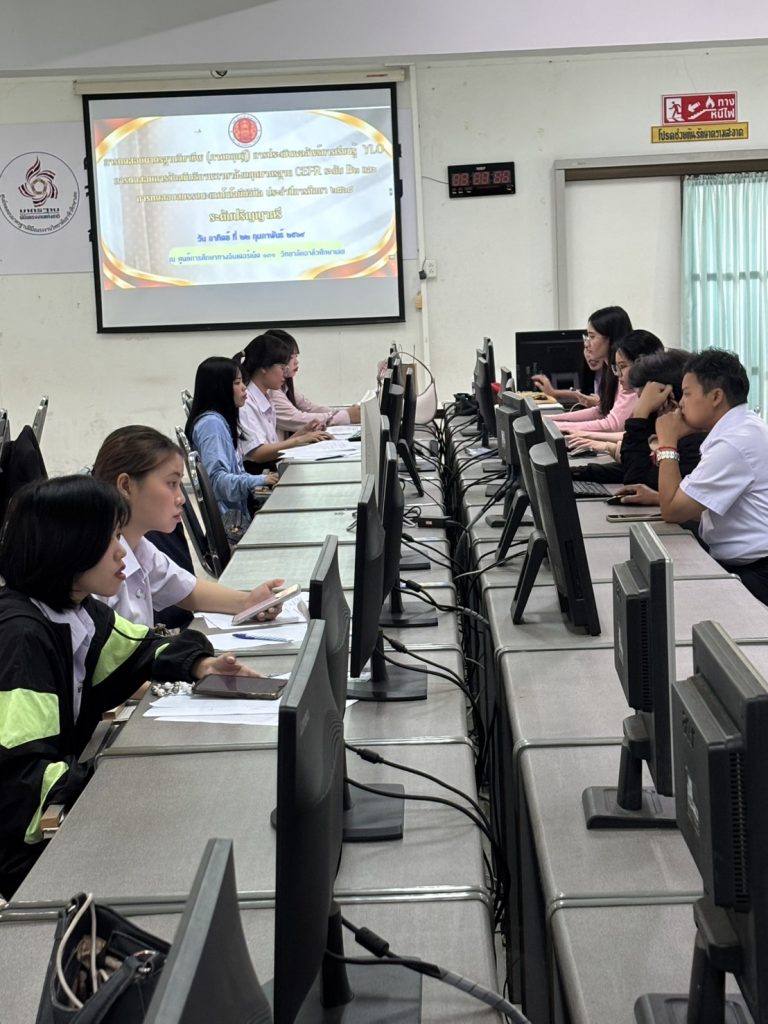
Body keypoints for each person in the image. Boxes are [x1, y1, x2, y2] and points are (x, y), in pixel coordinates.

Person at [0, 476, 258, 897]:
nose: (122, 551)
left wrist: (201, 664)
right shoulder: (21, 638)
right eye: (109, 539)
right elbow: (22, 780)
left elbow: (143, 650)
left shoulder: (75, 611)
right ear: (70, 546)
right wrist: (120, 779)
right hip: (31, 858)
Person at [92, 426, 284, 627]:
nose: (181, 499)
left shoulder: (138, 545)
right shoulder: (94, 569)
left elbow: (184, 589)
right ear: (126, 486)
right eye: (172, 483)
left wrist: (248, 602)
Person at [653, 348, 768, 604]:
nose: (681, 403)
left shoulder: (733, 443)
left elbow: (672, 511)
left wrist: (667, 442)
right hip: (749, 564)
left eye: (687, 393)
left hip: (758, 574)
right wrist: (656, 496)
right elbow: (704, 505)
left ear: (716, 396)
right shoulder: (742, 427)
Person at [185, 356, 278, 527]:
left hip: (237, 515)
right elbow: (217, 482)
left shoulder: (219, 421)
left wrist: (260, 479)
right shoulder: (212, 425)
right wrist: (259, 480)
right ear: (219, 388)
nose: (244, 388)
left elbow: (234, 472)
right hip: (233, 523)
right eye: (237, 383)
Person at [234, 332, 330, 468]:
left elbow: (273, 448)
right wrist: (299, 440)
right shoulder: (246, 402)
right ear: (264, 367)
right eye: (282, 368)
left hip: (270, 468)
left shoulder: (266, 397)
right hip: (256, 473)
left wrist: (303, 432)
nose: (285, 374)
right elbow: (258, 454)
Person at [565, 329, 665, 454]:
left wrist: (598, 442)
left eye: (622, 367)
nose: (618, 374)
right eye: (616, 368)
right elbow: (631, 436)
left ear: (642, 364)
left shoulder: (661, 401)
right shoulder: (641, 393)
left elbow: (631, 438)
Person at [552, 305, 635, 434]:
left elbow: (613, 425)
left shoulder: (628, 374)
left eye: (592, 337)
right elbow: (601, 411)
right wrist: (550, 420)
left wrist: (557, 426)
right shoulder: (609, 369)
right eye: (587, 337)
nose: (587, 344)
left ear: (610, 339)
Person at [267, 328, 361, 436]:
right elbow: (298, 419)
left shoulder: (284, 387)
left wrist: (344, 412)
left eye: (296, 356)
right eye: (291, 357)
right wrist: (346, 415)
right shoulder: (272, 391)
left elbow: (309, 408)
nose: (296, 362)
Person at [531, 342, 603, 407]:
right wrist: (553, 393)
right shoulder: (595, 374)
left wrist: (600, 404)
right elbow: (587, 395)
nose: (591, 355)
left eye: (592, 336)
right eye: (586, 348)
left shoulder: (608, 373)